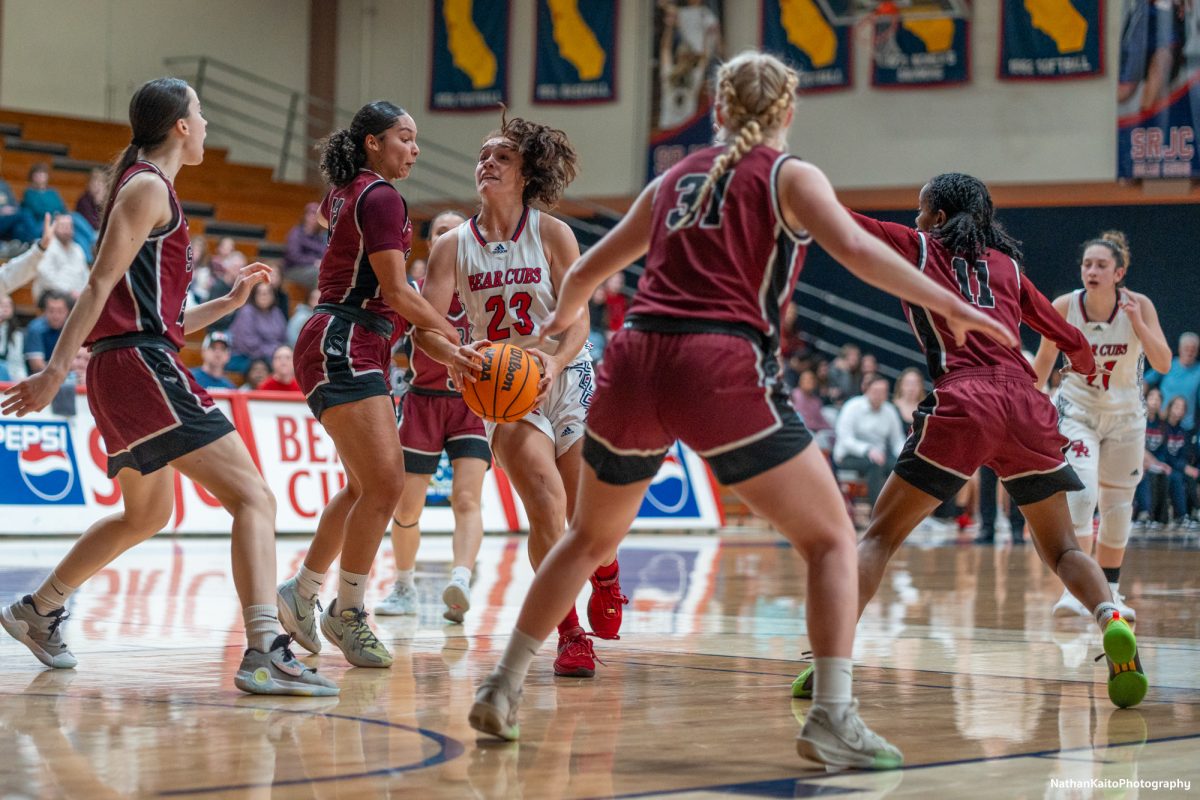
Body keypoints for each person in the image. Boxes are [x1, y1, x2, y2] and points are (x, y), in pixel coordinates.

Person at [466, 52, 1020, 768]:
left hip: (635, 362)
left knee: (585, 538)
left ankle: (503, 685)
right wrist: (948, 303)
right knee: (831, 542)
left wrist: (549, 338)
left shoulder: (672, 179)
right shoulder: (790, 174)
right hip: (719, 364)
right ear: (787, 112)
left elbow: (583, 272)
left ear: (718, 111)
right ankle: (831, 716)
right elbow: (854, 249)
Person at [0, 77, 335, 696]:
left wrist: (230, 303)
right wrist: (53, 369)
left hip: (129, 362)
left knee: (147, 513)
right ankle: (264, 648)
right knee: (255, 498)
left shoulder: (152, 191)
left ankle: (38, 610)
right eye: (200, 114)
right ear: (180, 125)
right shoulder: (149, 186)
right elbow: (98, 287)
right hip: (136, 365)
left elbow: (165, 318)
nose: (205, 125)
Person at [788, 173, 1146, 712]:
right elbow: (1064, 334)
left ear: (937, 215)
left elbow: (846, 226)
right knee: (1066, 547)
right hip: (1024, 404)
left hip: (965, 400)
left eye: (919, 209)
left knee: (878, 539)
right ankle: (1112, 618)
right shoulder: (1008, 267)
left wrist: (791, 192)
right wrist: (1084, 356)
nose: (914, 219)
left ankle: (829, 662)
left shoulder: (919, 247)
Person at [415, 111, 628, 679]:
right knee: (544, 504)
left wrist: (556, 359)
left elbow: (580, 320)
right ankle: (569, 632)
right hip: (501, 389)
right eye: (483, 155)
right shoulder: (452, 246)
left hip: (565, 370)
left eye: (501, 156)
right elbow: (425, 327)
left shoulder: (552, 233)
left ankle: (606, 574)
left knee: (589, 512)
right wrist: (452, 353)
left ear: (526, 172)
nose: (487, 162)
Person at [275, 100, 460, 669]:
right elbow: (400, 293)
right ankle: (347, 611)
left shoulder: (356, 190)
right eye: (405, 137)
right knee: (387, 483)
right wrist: (453, 331)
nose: (415, 148)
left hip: (355, 338)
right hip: (345, 338)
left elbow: (398, 308)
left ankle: (301, 591)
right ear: (374, 143)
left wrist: (446, 346)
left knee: (362, 488)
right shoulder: (380, 196)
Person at [1033, 230, 1172, 622]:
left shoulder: (1139, 304)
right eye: (1087, 264)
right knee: (1081, 494)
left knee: (1117, 507)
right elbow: (1044, 361)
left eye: (1101, 265)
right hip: (1077, 411)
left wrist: (1137, 324)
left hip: (1126, 417)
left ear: (1119, 272)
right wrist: (1024, 400)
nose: (1091, 271)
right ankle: (1073, 591)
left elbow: (1163, 361)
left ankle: (1111, 590)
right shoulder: (1064, 305)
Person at [374, 210, 492, 624]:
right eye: (441, 232)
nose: (450, 237)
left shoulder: (485, 290)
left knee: (466, 498)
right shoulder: (414, 293)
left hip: (472, 405)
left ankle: (460, 580)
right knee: (407, 509)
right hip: (423, 401)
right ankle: (403, 585)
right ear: (431, 243)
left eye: (456, 232)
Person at [833, 376, 905, 505]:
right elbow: (845, 439)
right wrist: (868, 450)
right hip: (849, 456)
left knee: (901, 467)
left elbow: (897, 439)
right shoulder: (852, 406)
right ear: (866, 390)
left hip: (880, 456)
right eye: (876, 391)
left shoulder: (890, 410)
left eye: (883, 392)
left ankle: (901, 510)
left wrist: (904, 456)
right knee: (875, 465)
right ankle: (876, 511)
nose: (879, 395)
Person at [1145, 332, 1200, 430]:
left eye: (1193, 350)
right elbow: (1145, 380)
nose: (1189, 353)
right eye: (1186, 349)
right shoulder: (1168, 364)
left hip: (1185, 426)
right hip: (1161, 422)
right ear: (1180, 349)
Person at [34, 215, 89, 301]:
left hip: (76, 294)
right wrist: (69, 292)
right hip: (51, 293)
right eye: (63, 226)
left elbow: (85, 275)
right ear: (55, 228)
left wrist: (83, 293)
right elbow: (45, 276)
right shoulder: (47, 247)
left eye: (69, 226)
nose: (67, 230)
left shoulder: (77, 249)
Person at [24, 291, 72, 373]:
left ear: (68, 312)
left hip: (66, 376)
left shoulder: (72, 328)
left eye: (60, 311)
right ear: (44, 311)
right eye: (51, 311)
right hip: (38, 379)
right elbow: (37, 366)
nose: (56, 316)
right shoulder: (35, 328)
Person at [282, 202, 325, 289]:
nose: (314, 217)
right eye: (312, 213)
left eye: (317, 215)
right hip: (294, 269)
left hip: (313, 268)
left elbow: (324, 253)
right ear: (305, 216)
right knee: (318, 274)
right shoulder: (295, 233)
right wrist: (314, 261)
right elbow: (294, 256)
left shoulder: (321, 236)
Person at [0, 293, 25, 381]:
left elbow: (17, 363)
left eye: (8, 305)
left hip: (7, 377)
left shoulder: (17, 334)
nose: (5, 308)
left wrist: (21, 380)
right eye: (2, 305)